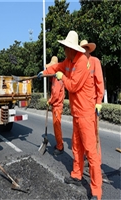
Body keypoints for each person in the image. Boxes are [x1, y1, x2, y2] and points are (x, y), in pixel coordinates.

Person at [37, 31, 102, 200]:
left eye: (66, 47)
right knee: (76, 146)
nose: (64, 50)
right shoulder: (68, 61)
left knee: (91, 151)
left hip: (87, 113)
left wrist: (62, 77)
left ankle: (96, 191)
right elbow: (56, 68)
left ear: (73, 49)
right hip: (76, 113)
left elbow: (72, 86)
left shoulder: (82, 62)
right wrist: (45, 72)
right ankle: (76, 175)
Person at [80, 40, 104, 168]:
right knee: (84, 135)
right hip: (83, 105)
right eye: (82, 49)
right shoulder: (79, 64)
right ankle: (86, 157)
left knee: (94, 134)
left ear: (89, 49)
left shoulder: (95, 62)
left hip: (93, 104)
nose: (84, 51)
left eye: (86, 48)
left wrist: (99, 101)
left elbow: (99, 82)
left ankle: (96, 161)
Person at [46, 56, 65, 155]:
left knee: (57, 126)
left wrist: (50, 101)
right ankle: (59, 143)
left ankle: (60, 146)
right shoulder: (54, 78)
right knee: (56, 126)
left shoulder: (57, 80)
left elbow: (55, 94)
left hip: (57, 106)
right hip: (56, 106)